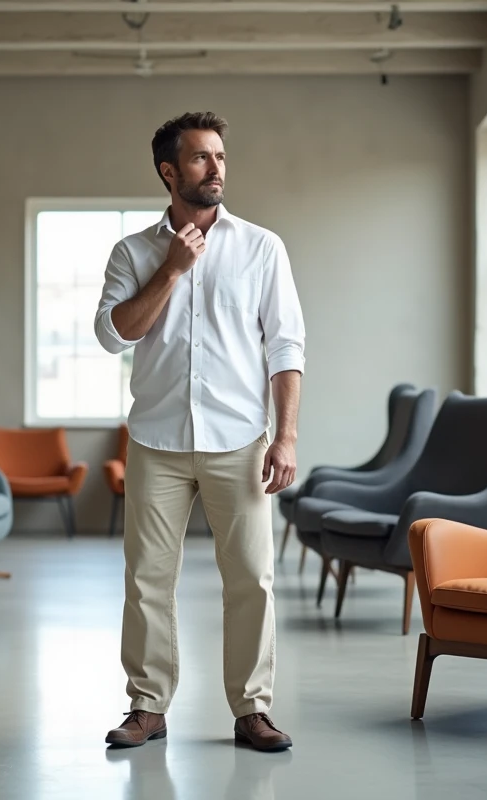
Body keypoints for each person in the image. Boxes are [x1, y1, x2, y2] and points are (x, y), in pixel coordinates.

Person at [93, 111, 306, 752]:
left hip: (239, 441)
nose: (216, 168)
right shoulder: (133, 252)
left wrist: (286, 436)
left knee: (251, 579)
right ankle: (148, 707)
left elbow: (286, 347)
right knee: (147, 580)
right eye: (199, 157)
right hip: (156, 441)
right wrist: (171, 269)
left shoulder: (262, 247)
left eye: (220, 156)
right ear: (169, 171)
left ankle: (252, 710)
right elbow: (114, 334)